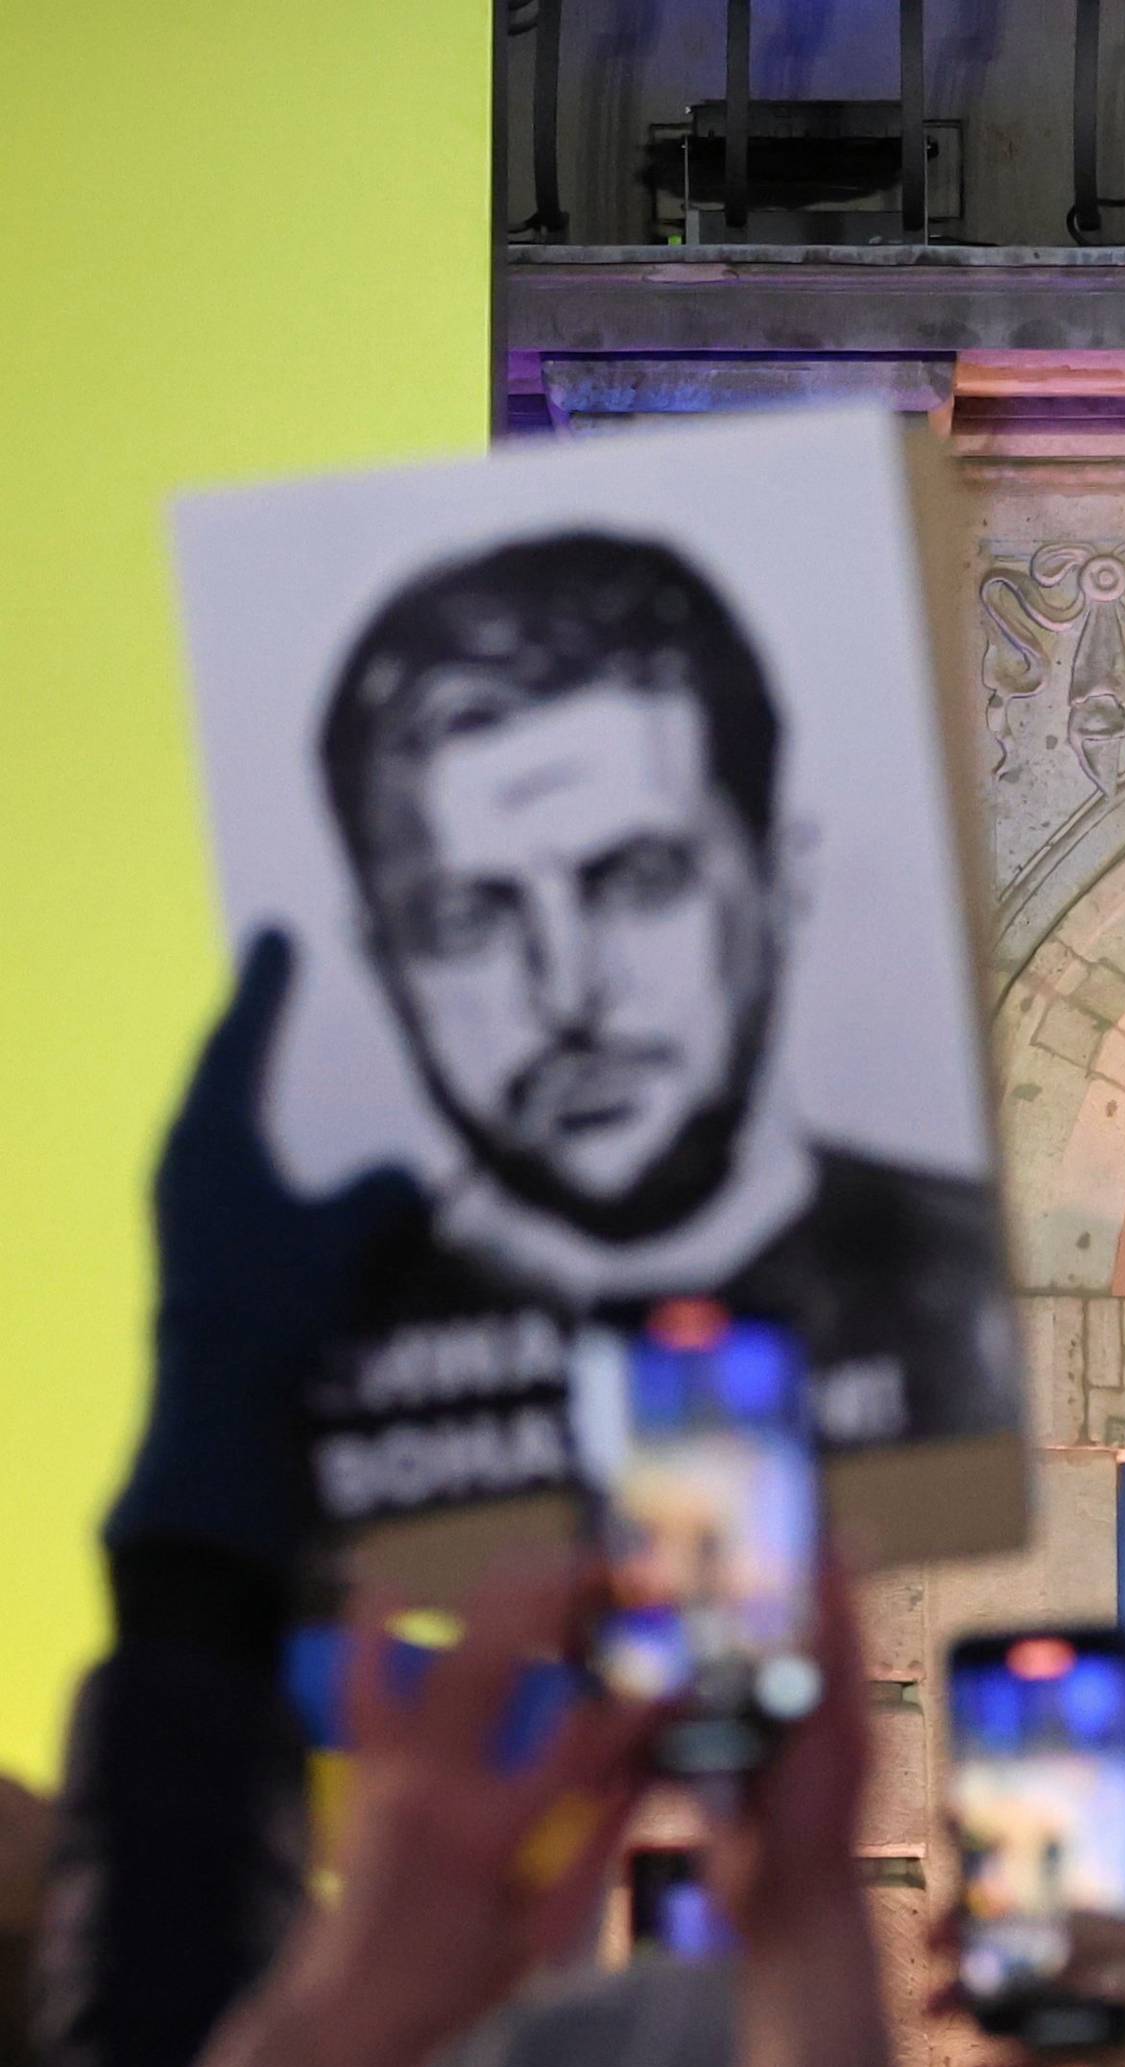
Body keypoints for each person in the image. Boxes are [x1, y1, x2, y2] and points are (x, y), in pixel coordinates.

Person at [306, 530, 1017, 1517]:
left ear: (782, 882)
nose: (567, 993)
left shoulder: (981, 1304)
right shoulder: (311, 1368)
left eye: (640, 882)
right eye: (468, 921)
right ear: (382, 961)